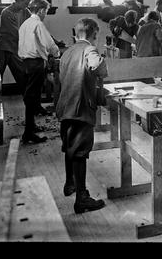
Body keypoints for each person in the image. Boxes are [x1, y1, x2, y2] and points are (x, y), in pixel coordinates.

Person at [55, 18, 107, 214]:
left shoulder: (67, 51)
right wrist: (103, 68)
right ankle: (82, 198)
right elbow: (97, 67)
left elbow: (61, 78)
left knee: (70, 146)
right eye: (97, 34)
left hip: (65, 106)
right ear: (93, 33)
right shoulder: (89, 49)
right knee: (79, 152)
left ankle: (70, 183)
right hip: (80, 107)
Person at [18, 0, 60, 143]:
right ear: (41, 10)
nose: (45, 14)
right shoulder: (38, 24)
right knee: (32, 97)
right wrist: (57, 54)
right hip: (35, 63)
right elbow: (49, 43)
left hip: (25, 63)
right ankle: (28, 134)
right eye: (46, 12)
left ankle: (31, 126)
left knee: (32, 96)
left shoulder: (25, 24)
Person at [0, 0, 32, 95]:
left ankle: (31, 104)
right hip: (2, 48)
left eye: (28, 3)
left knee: (23, 76)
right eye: (25, 3)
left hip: (14, 48)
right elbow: (17, 33)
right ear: (18, 0)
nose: (27, 6)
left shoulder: (26, 12)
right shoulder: (6, 13)